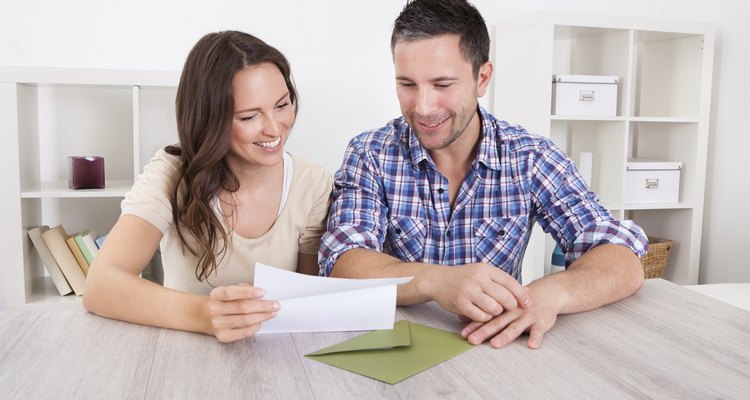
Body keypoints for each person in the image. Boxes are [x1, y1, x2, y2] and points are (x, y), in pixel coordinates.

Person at [320, 0, 648, 349]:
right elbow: (343, 262)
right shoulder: (370, 153)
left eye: (442, 84)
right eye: (407, 84)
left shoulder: (531, 156)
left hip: (497, 350)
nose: (423, 107)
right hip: (396, 349)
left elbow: (622, 257)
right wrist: (434, 281)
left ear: (482, 78)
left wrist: (553, 292)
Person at [84, 31, 332, 343]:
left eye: (282, 105)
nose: (274, 127)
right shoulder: (171, 174)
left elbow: (303, 302)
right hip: (185, 356)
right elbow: (100, 286)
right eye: (249, 116)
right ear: (209, 119)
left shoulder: (313, 182)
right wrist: (205, 315)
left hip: (276, 358)